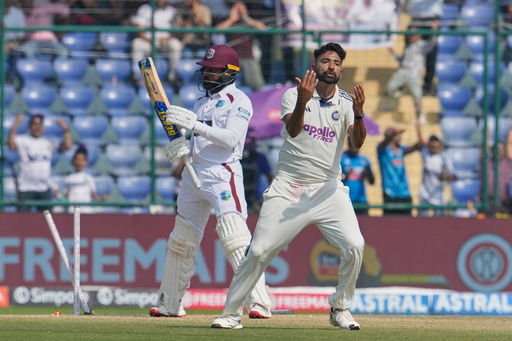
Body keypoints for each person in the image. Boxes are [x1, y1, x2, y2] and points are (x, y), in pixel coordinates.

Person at [211, 42, 367, 330]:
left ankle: (340, 308)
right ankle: (231, 314)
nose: (331, 65)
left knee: (355, 245)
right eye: (325, 61)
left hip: (328, 189)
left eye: (335, 62)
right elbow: (294, 131)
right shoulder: (293, 95)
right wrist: (303, 102)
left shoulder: (346, 102)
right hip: (289, 187)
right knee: (258, 252)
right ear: (315, 65)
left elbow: (357, 142)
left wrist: (357, 114)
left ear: (341, 69)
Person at [149, 44, 272, 319]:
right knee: (182, 239)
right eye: (205, 69)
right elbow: (199, 139)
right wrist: (182, 149)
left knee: (235, 236)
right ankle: (170, 302)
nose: (206, 74)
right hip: (194, 174)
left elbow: (231, 139)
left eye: (213, 71)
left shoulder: (240, 100)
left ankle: (259, 302)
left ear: (229, 73)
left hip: (223, 173)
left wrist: (195, 126)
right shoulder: (200, 102)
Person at [7, 114, 72, 212]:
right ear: (29, 127)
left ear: (43, 127)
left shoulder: (48, 143)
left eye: (40, 124)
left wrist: (65, 128)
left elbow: (68, 146)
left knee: (46, 222)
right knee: (22, 221)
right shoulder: (23, 140)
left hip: (44, 188)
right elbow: (11, 145)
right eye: (34, 124)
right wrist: (15, 124)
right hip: (26, 188)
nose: (37, 126)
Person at [386, 25, 437, 123]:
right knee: (390, 88)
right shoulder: (408, 46)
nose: (411, 36)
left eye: (413, 34)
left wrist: (434, 31)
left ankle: (420, 116)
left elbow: (432, 42)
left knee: (417, 96)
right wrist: (392, 52)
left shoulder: (423, 46)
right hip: (402, 72)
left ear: (419, 35)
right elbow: (402, 60)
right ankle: (393, 102)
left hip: (414, 75)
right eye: (410, 34)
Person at [215, 1, 266, 91]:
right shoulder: (228, 20)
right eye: (236, 9)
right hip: (231, 57)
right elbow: (217, 29)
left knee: (258, 84)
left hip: (247, 56)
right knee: (224, 82)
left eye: (241, 9)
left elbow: (262, 27)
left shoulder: (249, 21)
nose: (239, 12)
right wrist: (231, 19)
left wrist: (246, 18)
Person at [377, 122, 423, 216]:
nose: (400, 137)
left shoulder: (401, 149)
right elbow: (385, 141)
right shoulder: (383, 149)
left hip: (404, 192)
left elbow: (419, 145)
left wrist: (418, 120)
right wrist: (393, 133)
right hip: (390, 193)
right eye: (398, 135)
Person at [131, 0, 182, 83]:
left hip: (165, 42)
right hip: (148, 42)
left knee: (175, 44)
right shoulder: (144, 9)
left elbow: (176, 32)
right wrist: (149, 40)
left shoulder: (172, 11)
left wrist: (167, 39)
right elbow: (140, 30)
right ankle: (139, 77)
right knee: (137, 43)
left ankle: (172, 76)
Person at [406, 0, 443, 96]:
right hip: (415, 20)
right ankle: (404, 85)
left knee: (431, 57)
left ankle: (427, 87)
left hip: (431, 21)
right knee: (408, 54)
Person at [418, 135, 457, 217]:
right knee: (421, 223)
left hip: (438, 197)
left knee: (438, 225)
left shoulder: (444, 158)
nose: (434, 146)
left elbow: (455, 177)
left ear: (439, 144)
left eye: (436, 143)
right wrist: (418, 124)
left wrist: (445, 177)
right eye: (432, 143)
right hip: (425, 195)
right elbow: (421, 142)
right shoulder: (426, 154)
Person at [62, 146, 108, 213]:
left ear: (85, 162)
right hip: (72, 212)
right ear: (73, 162)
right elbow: (65, 198)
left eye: (82, 160)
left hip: (86, 211)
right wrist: (59, 196)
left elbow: (95, 198)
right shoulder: (68, 179)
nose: (79, 162)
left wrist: (102, 199)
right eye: (77, 159)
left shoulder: (89, 178)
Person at [240, 128, 274, 213]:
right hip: (238, 197)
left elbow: (270, 177)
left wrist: (266, 197)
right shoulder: (236, 157)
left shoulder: (260, 157)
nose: (248, 145)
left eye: (250, 142)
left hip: (255, 200)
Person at [340, 137, 375, 215]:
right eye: (352, 145)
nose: (355, 148)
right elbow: (337, 180)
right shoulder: (341, 158)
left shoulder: (364, 160)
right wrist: (346, 176)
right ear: (349, 144)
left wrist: (367, 173)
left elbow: (372, 182)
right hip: (346, 201)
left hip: (361, 201)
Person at [484, 129, 512, 215]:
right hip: (487, 203)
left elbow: (510, 144)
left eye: (502, 148)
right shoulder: (486, 163)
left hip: (504, 204)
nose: (499, 151)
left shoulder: (508, 163)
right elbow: (484, 147)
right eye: (497, 148)